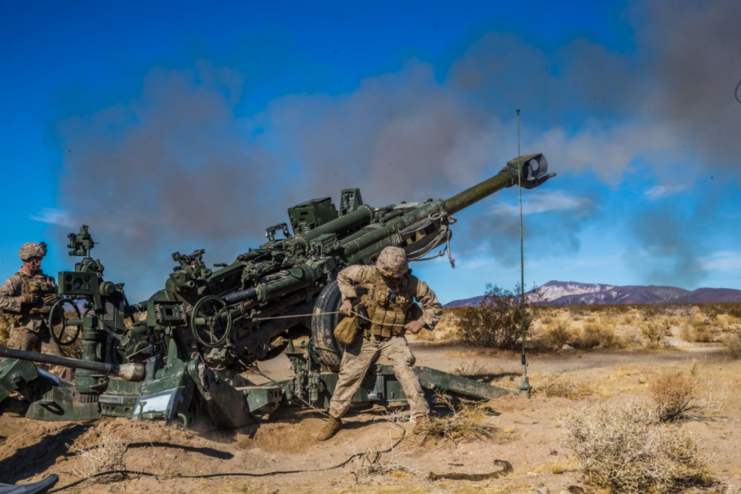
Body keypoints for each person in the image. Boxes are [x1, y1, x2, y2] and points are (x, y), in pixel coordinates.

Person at [317, 246, 443, 441]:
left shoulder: (414, 284)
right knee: (348, 376)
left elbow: (434, 305)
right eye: (386, 275)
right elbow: (343, 275)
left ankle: (421, 417)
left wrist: (421, 322)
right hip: (366, 336)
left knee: (405, 370)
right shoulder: (368, 274)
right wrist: (348, 299)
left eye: (395, 277)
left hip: (394, 338)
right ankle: (335, 418)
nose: (390, 279)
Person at [0, 242, 64, 374]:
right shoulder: (15, 280)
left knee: (59, 363)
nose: (40, 262)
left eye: (41, 258)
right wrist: (22, 300)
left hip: (46, 328)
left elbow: (60, 299)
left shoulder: (48, 280)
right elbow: (1, 299)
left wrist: (58, 299)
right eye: (37, 258)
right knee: (15, 365)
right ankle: (11, 393)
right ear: (27, 258)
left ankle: (61, 392)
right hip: (24, 327)